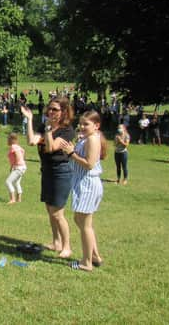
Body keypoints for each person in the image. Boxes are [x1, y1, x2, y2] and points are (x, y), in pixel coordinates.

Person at [21, 98, 75, 258]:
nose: (50, 112)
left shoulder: (67, 130)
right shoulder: (45, 127)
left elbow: (51, 148)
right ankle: (56, 242)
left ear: (64, 112)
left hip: (61, 172)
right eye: (49, 109)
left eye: (55, 109)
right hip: (47, 171)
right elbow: (31, 141)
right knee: (49, 209)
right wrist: (29, 120)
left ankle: (67, 247)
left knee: (58, 213)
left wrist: (49, 130)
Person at [59, 111, 107, 272]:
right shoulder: (88, 138)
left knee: (84, 224)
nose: (82, 127)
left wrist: (71, 153)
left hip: (87, 184)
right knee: (81, 221)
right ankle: (95, 256)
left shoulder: (93, 139)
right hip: (82, 183)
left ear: (96, 125)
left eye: (86, 124)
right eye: (81, 123)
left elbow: (89, 164)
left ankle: (86, 263)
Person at [5, 132, 26, 204]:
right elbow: (23, 151)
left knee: (8, 182)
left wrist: (15, 164)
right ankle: (19, 199)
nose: (7, 140)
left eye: (8, 139)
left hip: (18, 167)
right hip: (22, 167)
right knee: (17, 182)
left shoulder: (13, 147)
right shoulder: (18, 146)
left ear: (11, 139)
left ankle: (12, 199)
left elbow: (17, 154)